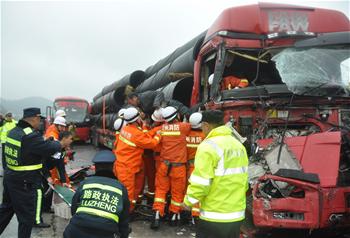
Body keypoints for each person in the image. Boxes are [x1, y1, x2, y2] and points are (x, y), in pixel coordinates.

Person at [183, 110, 248, 238]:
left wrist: (188, 201)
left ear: (206, 125)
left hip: (214, 215)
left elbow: (201, 182)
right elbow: (244, 180)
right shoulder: (238, 145)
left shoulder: (208, 146)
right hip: (236, 215)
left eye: (202, 126)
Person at [0, 107, 63, 238]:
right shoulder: (30, 136)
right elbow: (49, 148)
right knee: (26, 219)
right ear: (34, 118)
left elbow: (28, 150)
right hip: (24, 182)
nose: (40, 122)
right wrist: (60, 144)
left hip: (10, 178)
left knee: (6, 210)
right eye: (40, 119)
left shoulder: (13, 131)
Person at [64, 150, 130, 238]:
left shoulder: (85, 183)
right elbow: (124, 220)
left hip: (74, 232)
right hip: (105, 234)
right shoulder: (120, 188)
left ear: (95, 167)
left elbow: (74, 209)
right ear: (113, 167)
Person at [151, 106, 191, 229]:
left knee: (161, 190)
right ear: (176, 115)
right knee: (177, 193)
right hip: (178, 167)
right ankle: (174, 216)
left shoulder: (162, 129)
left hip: (164, 165)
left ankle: (157, 214)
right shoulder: (184, 127)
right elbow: (193, 126)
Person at [114, 107, 160, 212]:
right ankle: (127, 214)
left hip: (124, 165)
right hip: (127, 168)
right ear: (137, 119)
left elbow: (143, 136)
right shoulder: (136, 133)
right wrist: (158, 135)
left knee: (130, 191)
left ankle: (131, 209)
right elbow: (151, 143)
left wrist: (153, 130)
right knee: (128, 193)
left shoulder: (126, 128)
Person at [186, 112, 206, 221]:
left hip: (187, 167)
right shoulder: (205, 137)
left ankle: (189, 213)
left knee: (189, 190)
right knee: (199, 191)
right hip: (201, 168)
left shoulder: (186, 135)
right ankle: (196, 215)